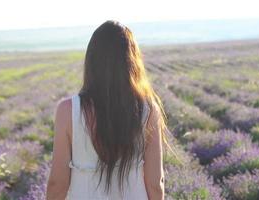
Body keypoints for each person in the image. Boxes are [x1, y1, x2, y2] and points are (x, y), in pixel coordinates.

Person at [46, 20, 169, 200]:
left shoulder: (68, 111)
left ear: (92, 60)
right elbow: (155, 183)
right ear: (131, 62)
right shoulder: (148, 110)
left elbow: (57, 183)